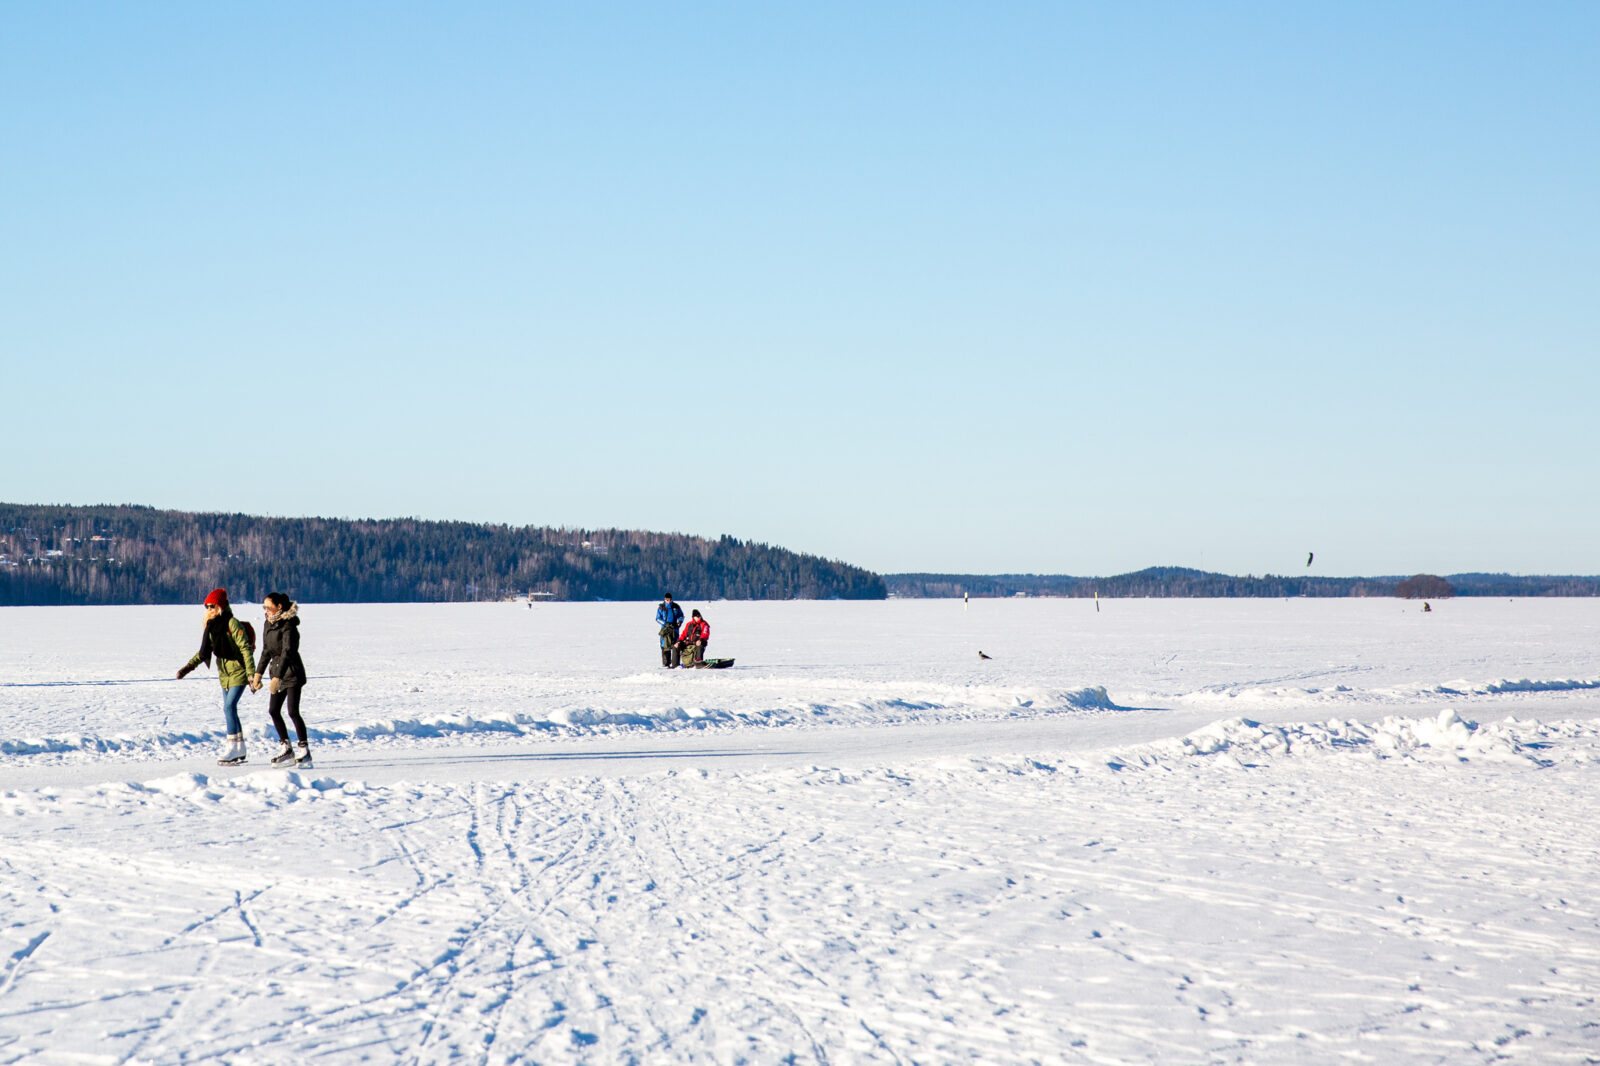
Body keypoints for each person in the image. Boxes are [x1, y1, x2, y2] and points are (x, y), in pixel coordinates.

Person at [176, 588, 256, 766]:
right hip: (224, 674)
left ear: (220, 606)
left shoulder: (232, 623)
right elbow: (204, 651)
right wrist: (188, 667)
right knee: (231, 709)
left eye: (212, 605)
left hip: (239, 671)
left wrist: (251, 674)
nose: (209, 609)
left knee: (228, 707)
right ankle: (240, 748)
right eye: (207, 606)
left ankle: (231, 747)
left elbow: (245, 648)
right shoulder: (212, 626)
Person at [251, 592, 312, 767]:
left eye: (268, 607)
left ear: (279, 607)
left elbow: (287, 652)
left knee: (293, 711)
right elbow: (266, 651)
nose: (266, 610)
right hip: (276, 672)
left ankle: (304, 750)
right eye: (264, 607)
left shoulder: (289, 625)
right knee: (273, 710)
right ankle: (286, 748)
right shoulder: (268, 624)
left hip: (292, 672)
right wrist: (258, 674)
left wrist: (277, 677)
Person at [655, 593, 684, 667]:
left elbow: (681, 615)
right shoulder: (661, 607)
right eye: (667, 600)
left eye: (670, 600)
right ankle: (666, 663)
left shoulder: (676, 606)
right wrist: (665, 623)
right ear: (664, 599)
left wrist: (680, 621)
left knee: (676, 645)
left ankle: (675, 663)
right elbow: (658, 618)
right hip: (665, 629)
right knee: (665, 645)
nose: (669, 601)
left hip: (675, 629)